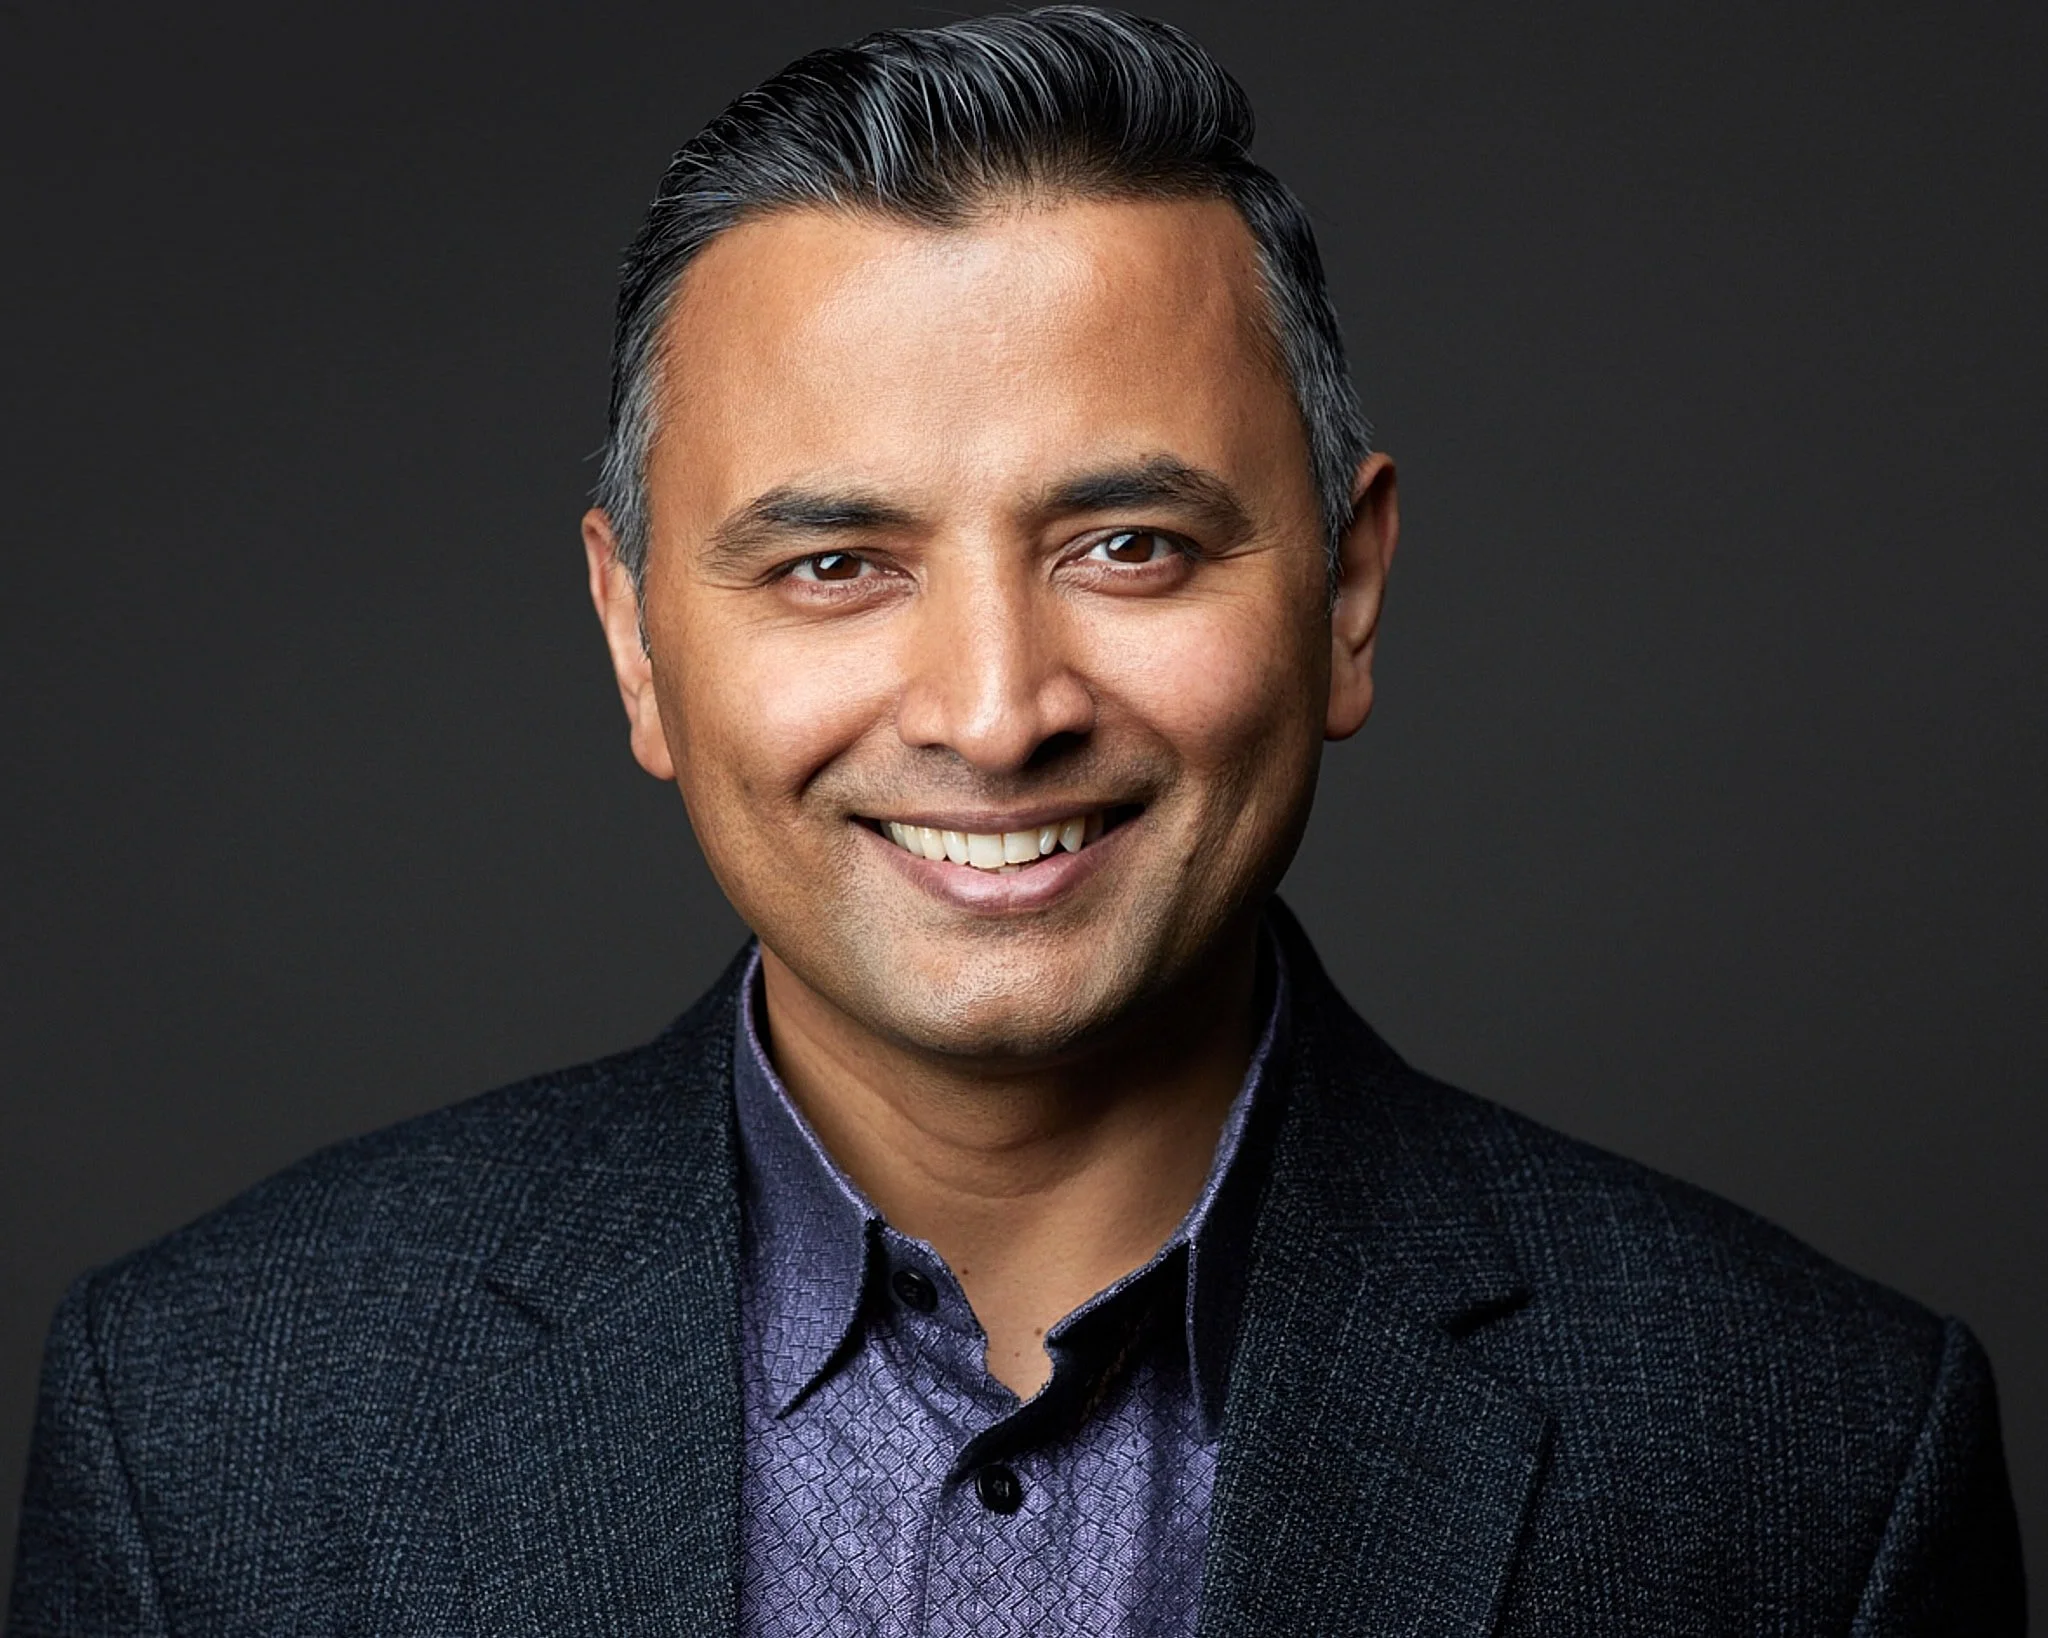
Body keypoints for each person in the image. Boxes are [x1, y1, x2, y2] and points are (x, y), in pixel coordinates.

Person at [6, 8, 2024, 1634]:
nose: (993, 710)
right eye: (832, 566)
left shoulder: (1808, 1459)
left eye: (1131, 544)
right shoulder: (212, 1424)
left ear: (1345, 592)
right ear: (635, 641)